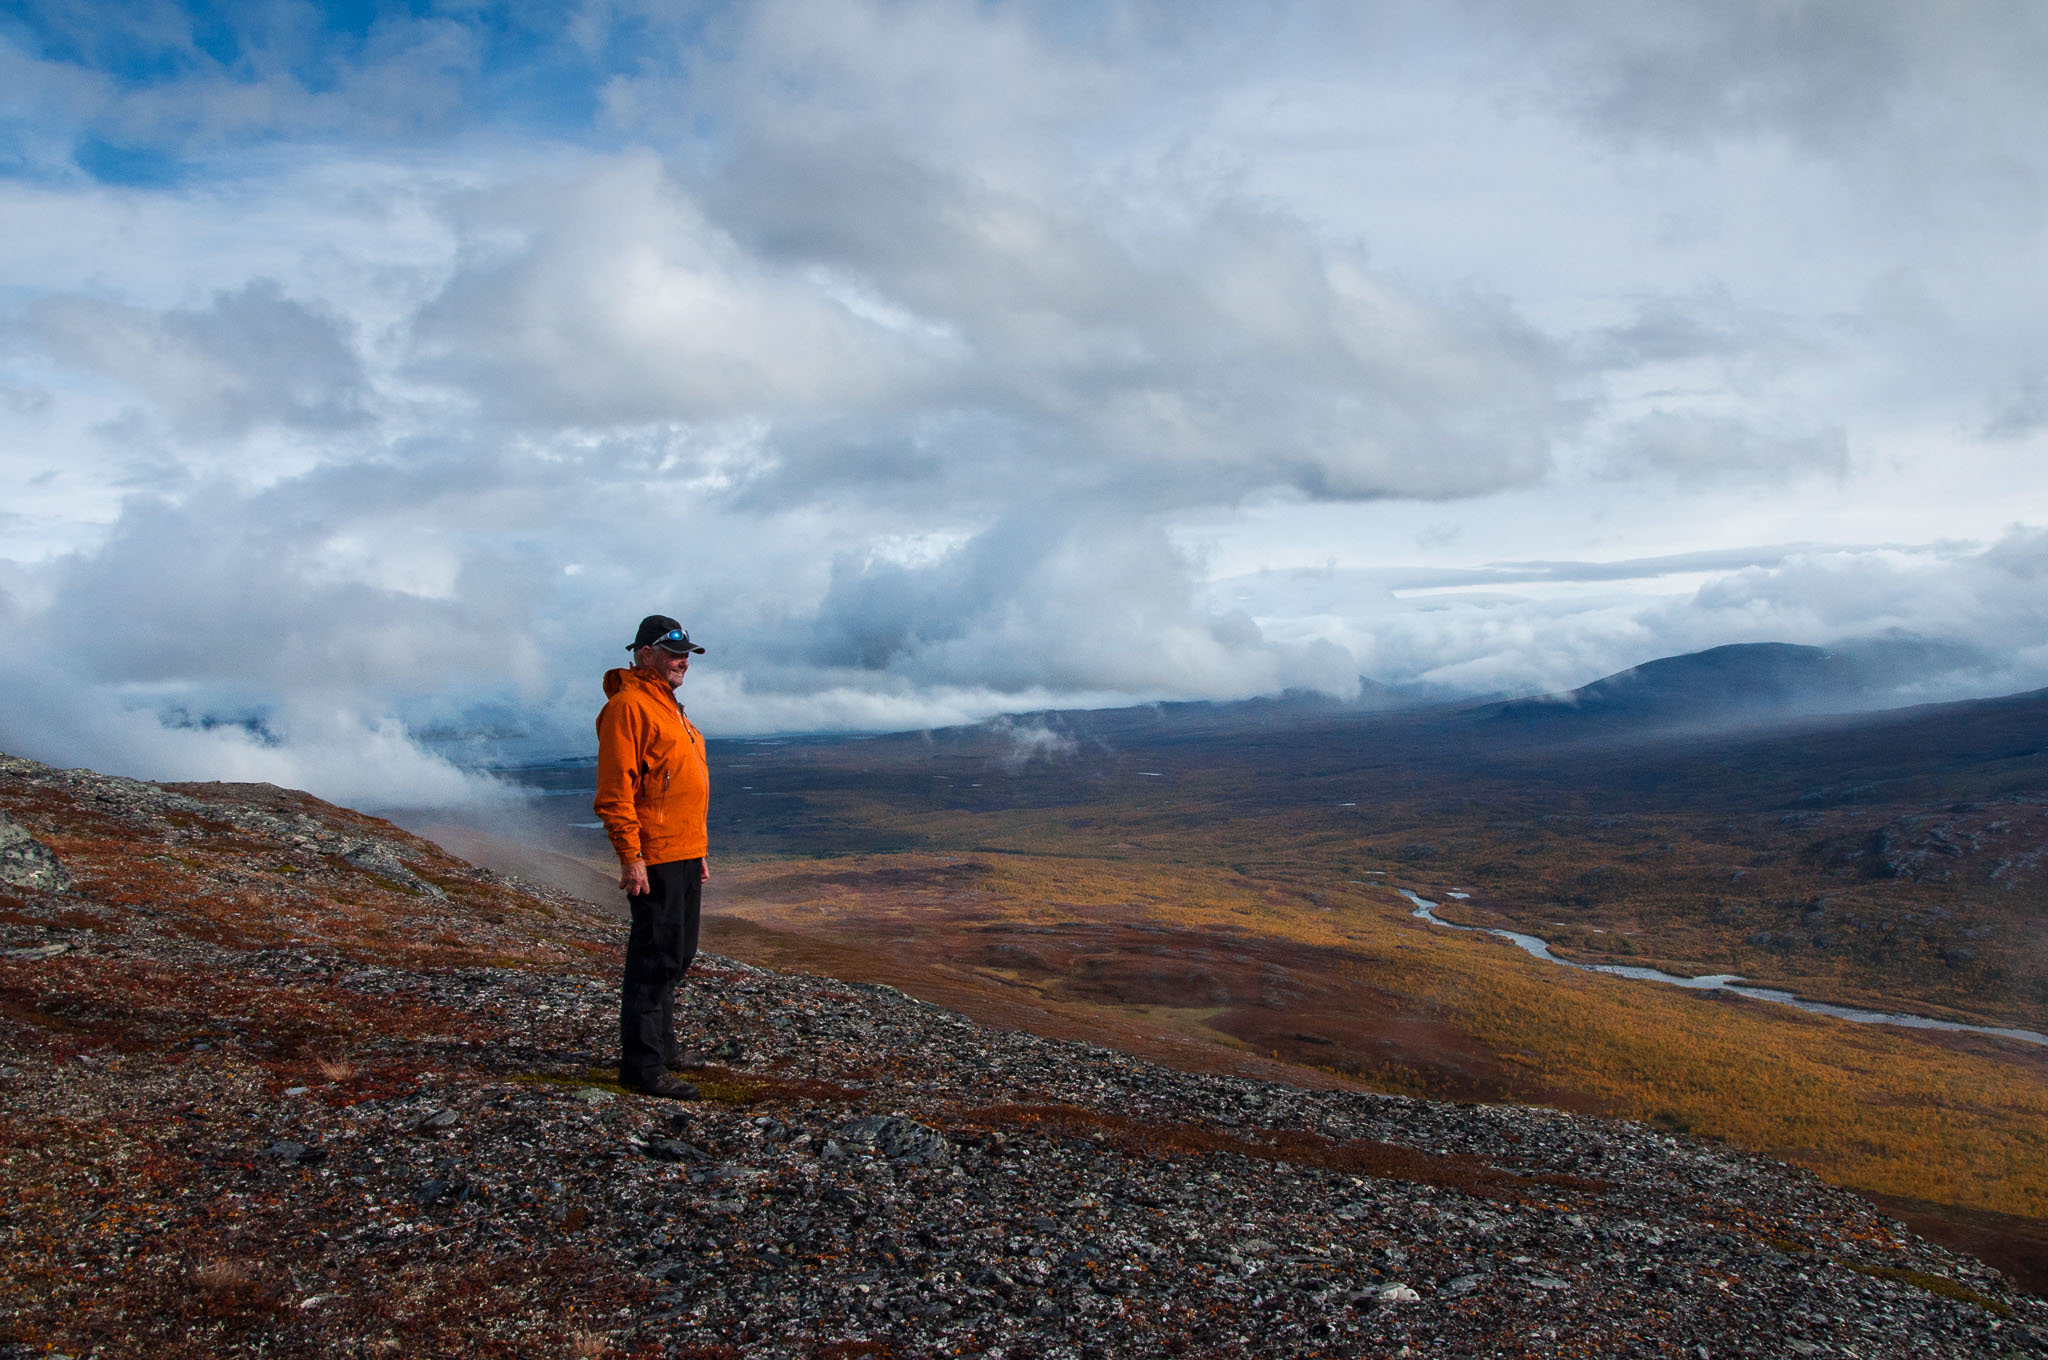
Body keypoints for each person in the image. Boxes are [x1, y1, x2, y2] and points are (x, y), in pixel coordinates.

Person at [593, 614, 713, 1099]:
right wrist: (631, 855)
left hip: (683, 851)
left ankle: (663, 1046)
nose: (682, 661)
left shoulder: (671, 707)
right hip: (655, 854)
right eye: (672, 652)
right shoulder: (629, 707)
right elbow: (615, 791)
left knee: (678, 954)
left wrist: (698, 849)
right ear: (645, 654)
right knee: (653, 958)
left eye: (686, 654)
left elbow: (682, 785)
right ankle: (642, 1067)